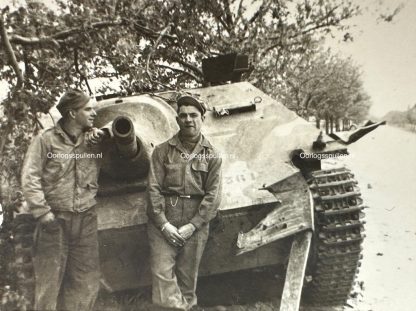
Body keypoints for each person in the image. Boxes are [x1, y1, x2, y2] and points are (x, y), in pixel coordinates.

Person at [21, 89, 110, 311]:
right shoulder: (46, 141)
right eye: (88, 109)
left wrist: (104, 133)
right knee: (49, 285)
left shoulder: (94, 139)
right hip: (55, 220)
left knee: (85, 283)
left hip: (85, 218)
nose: (93, 114)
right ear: (72, 113)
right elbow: (29, 178)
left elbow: (121, 130)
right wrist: (43, 213)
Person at [147, 95, 222, 310]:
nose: (188, 120)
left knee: (188, 278)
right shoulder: (162, 151)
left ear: (203, 118)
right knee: (162, 274)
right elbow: (153, 189)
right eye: (183, 116)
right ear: (177, 120)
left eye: (193, 115)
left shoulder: (212, 155)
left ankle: (186, 306)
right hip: (164, 219)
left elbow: (213, 196)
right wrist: (163, 224)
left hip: (195, 219)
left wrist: (194, 225)